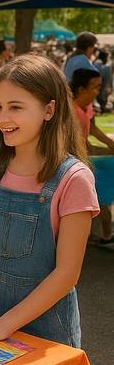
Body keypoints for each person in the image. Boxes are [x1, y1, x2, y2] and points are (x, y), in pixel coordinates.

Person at [0, 55, 97, 347]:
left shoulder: (74, 179)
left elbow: (67, 275)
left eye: (15, 107)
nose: (2, 118)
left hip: (47, 333)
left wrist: (4, 325)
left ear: (49, 110)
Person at [69, 68, 114, 245]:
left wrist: (110, 146)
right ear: (81, 89)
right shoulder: (72, 112)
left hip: (81, 160)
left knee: (98, 197)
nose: (98, 91)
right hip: (74, 164)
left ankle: (103, 235)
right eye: (95, 87)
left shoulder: (85, 108)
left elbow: (92, 130)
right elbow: (80, 147)